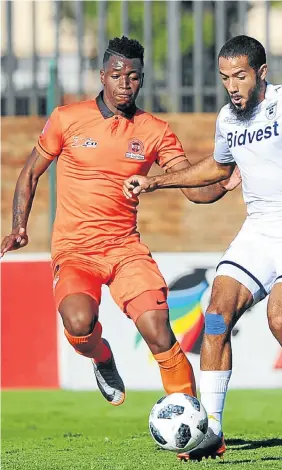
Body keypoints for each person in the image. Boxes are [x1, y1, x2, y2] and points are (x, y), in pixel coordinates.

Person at [123, 35, 282, 460]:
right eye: (224, 78)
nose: (232, 86)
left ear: (261, 74)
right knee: (215, 317)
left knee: (280, 320)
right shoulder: (227, 120)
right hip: (259, 230)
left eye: (240, 76)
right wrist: (157, 181)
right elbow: (217, 166)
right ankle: (212, 429)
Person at [1, 36, 240, 407]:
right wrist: (19, 227)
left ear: (142, 79)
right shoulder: (67, 118)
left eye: (133, 76)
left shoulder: (155, 130)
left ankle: (197, 423)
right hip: (76, 251)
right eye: (117, 75)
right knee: (79, 325)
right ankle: (101, 356)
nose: (125, 84)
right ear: (102, 76)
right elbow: (30, 173)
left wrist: (226, 182)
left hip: (126, 250)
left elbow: (192, 188)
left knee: (159, 331)